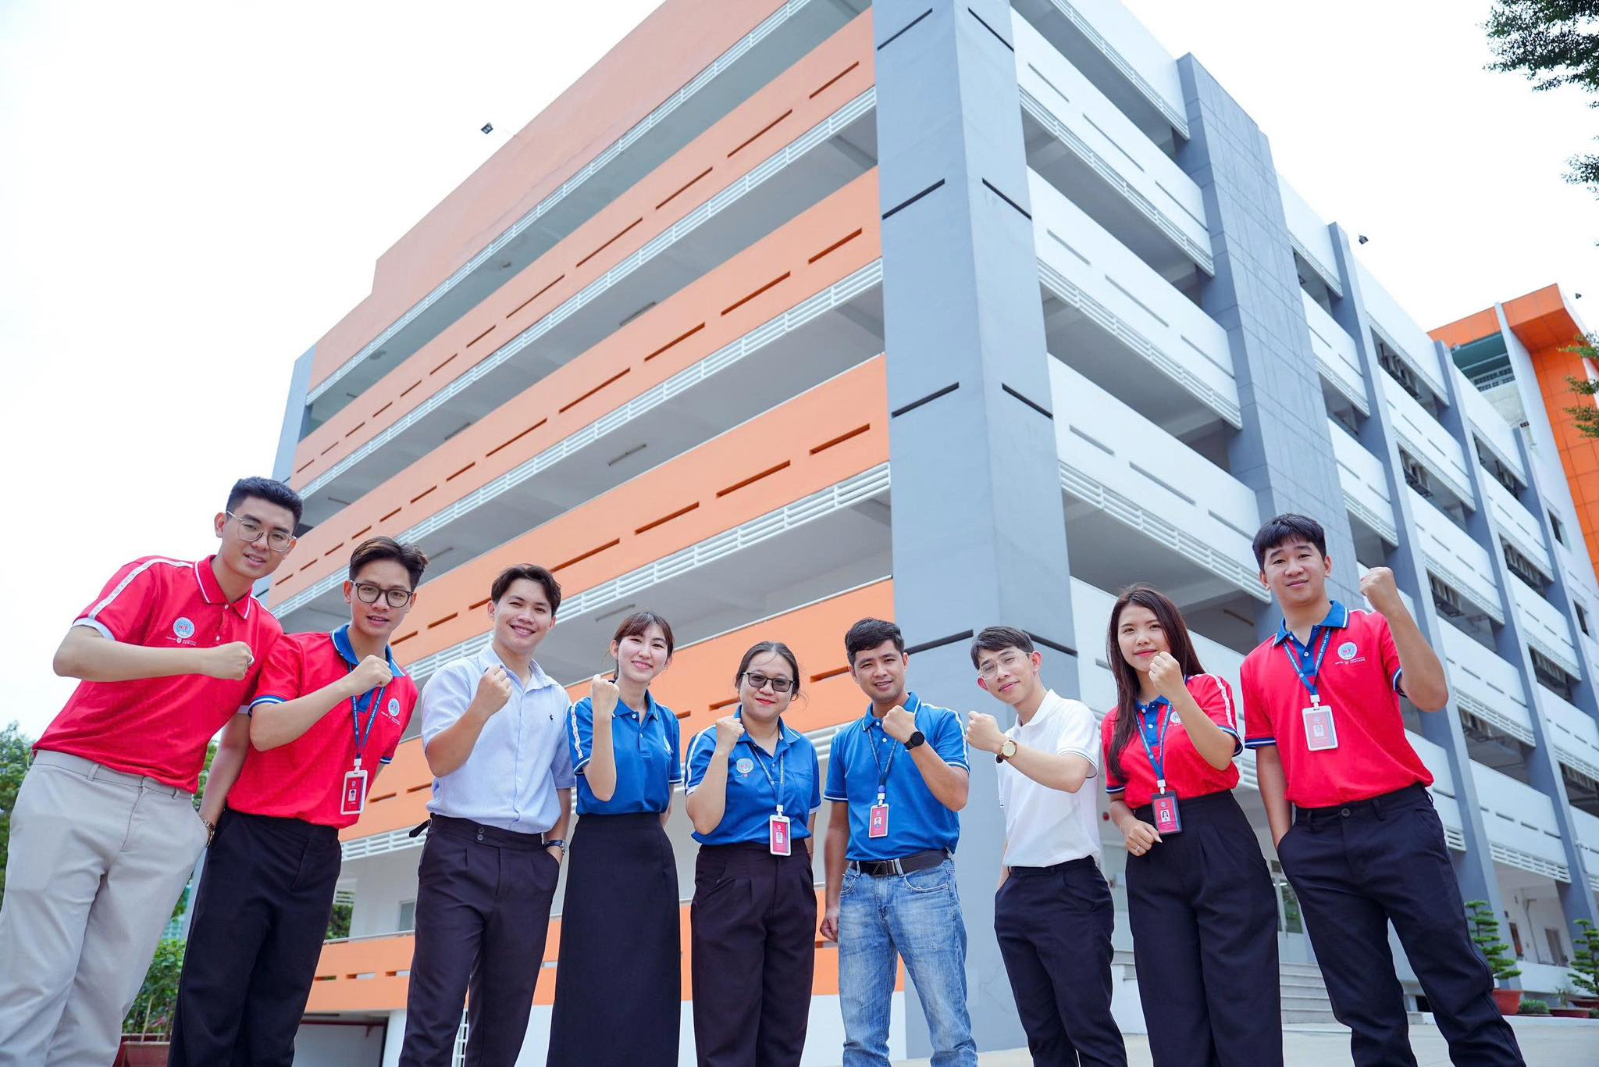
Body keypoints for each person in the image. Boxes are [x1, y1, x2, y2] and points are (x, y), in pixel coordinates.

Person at [0, 476, 300, 1067]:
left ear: (290, 547)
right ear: (222, 524)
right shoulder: (157, 576)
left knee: (105, 998)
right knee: (33, 979)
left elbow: (240, 737)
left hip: (167, 812)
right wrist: (200, 660)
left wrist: (202, 823)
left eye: (278, 535)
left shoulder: (266, 632)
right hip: (77, 783)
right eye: (251, 525)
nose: (262, 542)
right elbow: (72, 655)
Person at [1242, 514, 1524, 1067]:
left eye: (1303, 554)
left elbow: (1432, 696)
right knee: (1363, 1003)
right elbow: (1268, 756)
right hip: (1317, 840)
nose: (1293, 567)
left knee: (1454, 977)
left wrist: (1395, 609)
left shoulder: (1372, 629)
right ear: (1264, 577)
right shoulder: (1257, 666)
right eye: (1278, 560)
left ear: (1327, 564)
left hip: (1398, 822)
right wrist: (1285, 841)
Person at [167, 536, 428, 1066]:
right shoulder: (295, 650)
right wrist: (348, 685)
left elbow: (368, 770)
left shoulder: (402, 689)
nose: (381, 604)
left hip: (321, 850)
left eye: (396, 595)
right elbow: (264, 733)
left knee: (281, 1003)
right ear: (348, 592)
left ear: (410, 603)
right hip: (251, 837)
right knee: (213, 991)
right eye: (370, 590)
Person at [399, 565, 573, 1067]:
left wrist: (554, 852)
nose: (526, 616)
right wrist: (480, 708)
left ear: (551, 622)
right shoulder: (455, 677)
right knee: (436, 1009)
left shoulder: (557, 696)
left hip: (529, 864)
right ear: (492, 609)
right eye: (516, 603)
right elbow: (440, 761)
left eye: (539, 609)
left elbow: (562, 784)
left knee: (505, 1016)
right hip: (458, 853)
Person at [1101, 588, 1279, 1067]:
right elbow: (1117, 798)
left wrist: (1177, 692)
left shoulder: (1207, 688)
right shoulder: (1115, 721)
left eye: (1153, 626)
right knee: (1170, 998)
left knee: (1242, 992)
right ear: (1117, 644)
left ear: (1173, 633)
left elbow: (1221, 756)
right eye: (1128, 630)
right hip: (1152, 856)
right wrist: (1126, 824)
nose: (1141, 638)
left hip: (1217, 836)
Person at [964, 626, 1125, 1067]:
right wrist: (1003, 889)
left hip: (1071, 888)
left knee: (1089, 1028)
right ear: (983, 683)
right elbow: (1017, 821)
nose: (1001, 672)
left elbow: (1070, 776)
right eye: (989, 668)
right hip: (1018, 894)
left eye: (1008, 659)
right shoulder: (1008, 742)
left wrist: (1001, 744)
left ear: (1034, 661)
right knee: (1043, 1037)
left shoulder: (1070, 714)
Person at [820, 618, 976, 1067]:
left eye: (888, 659)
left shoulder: (940, 722)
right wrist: (832, 900)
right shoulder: (846, 739)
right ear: (854, 673)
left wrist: (912, 737)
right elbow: (837, 827)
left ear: (905, 661)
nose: (880, 671)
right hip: (858, 890)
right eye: (867, 664)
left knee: (949, 1031)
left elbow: (957, 795)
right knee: (861, 1037)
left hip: (924, 882)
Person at [548, 611, 683, 1067]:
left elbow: (665, 803)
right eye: (636, 640)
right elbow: (602, 789)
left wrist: (646, 840)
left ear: (667, 659)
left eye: (658, 645)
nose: (646, 652)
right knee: (595, 972)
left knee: (652, 976)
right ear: (615, 647)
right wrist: (605, 717)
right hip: (601, 849)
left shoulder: (668, 720)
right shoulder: (585, 710)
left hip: (650, 851)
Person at [684, 641, 822, 1067]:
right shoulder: (710, 740)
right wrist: (725, 749)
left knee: (787, 1011)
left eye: (780, 683)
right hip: (731, 874)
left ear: (793, 692)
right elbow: (703, 820)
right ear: (739, 682)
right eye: (757, 678)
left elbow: (808, 822)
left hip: (792, 875)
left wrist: (800, 881)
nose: (767, 689)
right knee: (728, 1009)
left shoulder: (803, 749)